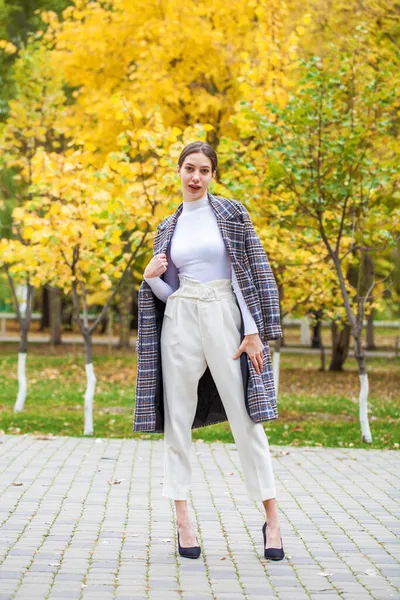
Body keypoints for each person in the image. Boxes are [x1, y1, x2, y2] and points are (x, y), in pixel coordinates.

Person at [134, 141, 284, 561]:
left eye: (203, 170)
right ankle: (183, 520)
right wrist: (150, 280)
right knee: (176, 421)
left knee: (246, 418)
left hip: (224, 315)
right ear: (178, 171)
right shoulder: (168, 225)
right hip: (180, 319)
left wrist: (253, 331)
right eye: (188, 169)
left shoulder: (232, 214)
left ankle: (272, 518)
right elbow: (171, 290)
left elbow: (249, 270)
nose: (195, 177)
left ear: (213, 174)